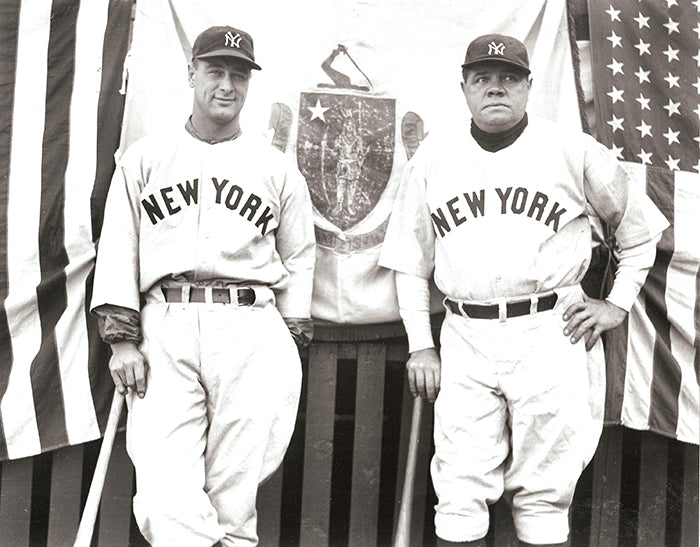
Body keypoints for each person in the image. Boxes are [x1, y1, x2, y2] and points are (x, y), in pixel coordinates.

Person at [379, 34, 668, 546]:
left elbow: (639, 234)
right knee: (460, 487)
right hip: (465, 332)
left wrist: (616, 305)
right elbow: (409, 259)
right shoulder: (434, 156)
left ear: (529, 85)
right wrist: (421, 342)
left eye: (509, 78)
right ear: (464, 87)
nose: (496, 89)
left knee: (545, 490)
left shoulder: (572, 150)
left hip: (550, 328)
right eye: (483, 79)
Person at [91, 25, 315, 546]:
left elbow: (300, 257)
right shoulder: (146, 157)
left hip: (250, 322)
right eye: (215, 71)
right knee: (165, 491)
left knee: (234, 493)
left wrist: (291, 335)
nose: (227, 86)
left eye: (239, 75)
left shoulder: (276, 168)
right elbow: (120, 244)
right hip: (165, 321)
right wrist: (121, 338)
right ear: (191, 73)